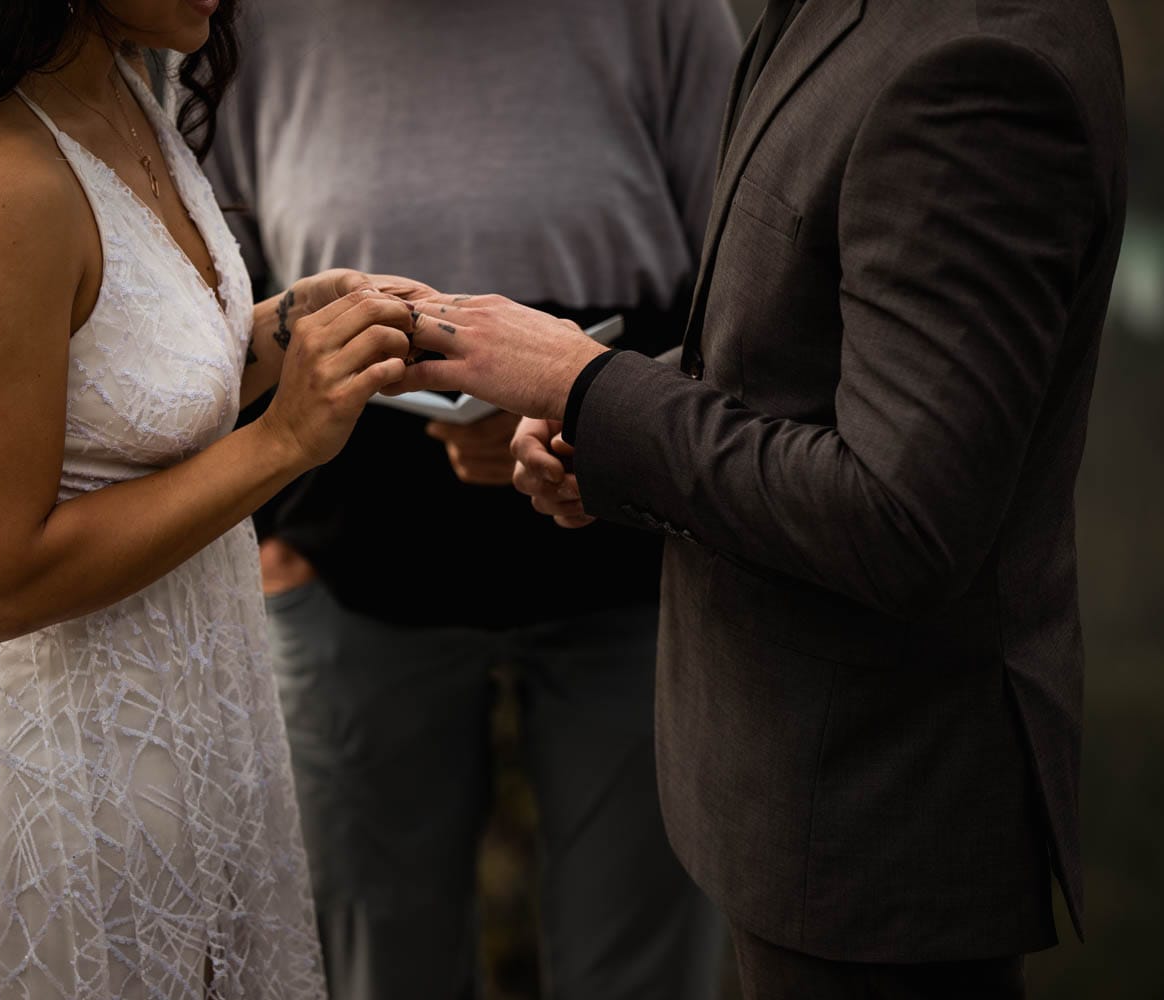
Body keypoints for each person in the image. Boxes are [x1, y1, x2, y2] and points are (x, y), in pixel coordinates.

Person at [390, 0, 1128, 996]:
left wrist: (584, 385)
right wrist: (608, 424)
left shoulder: (978, 70)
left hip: (872, 821)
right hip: (785, 791)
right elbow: (793, 347)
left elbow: (901, 521)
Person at [0, 2, 419, 996]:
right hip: (53, 792)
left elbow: (128, 388)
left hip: (191, 743)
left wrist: (305, 324)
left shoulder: (118, 91)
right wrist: (286, 441)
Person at [203, 2, 739, 998]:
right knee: (372, 966)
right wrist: (269, 538)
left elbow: (752, 274)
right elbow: (201, 295)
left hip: (631, 542)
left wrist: (592, 404)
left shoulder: (667, 12)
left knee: (645, 969)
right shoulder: (241, 17)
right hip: (345, 554)